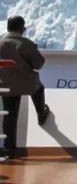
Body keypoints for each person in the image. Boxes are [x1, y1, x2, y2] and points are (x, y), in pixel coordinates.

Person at [0, 16, 48, 160]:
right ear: (23, 29)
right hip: (27, 84)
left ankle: (9, 149)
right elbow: (38, 64)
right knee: (39, 89)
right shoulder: (28, 44)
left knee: (10, 116)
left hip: (5, 85)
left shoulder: (1, 43)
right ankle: (41, 113)